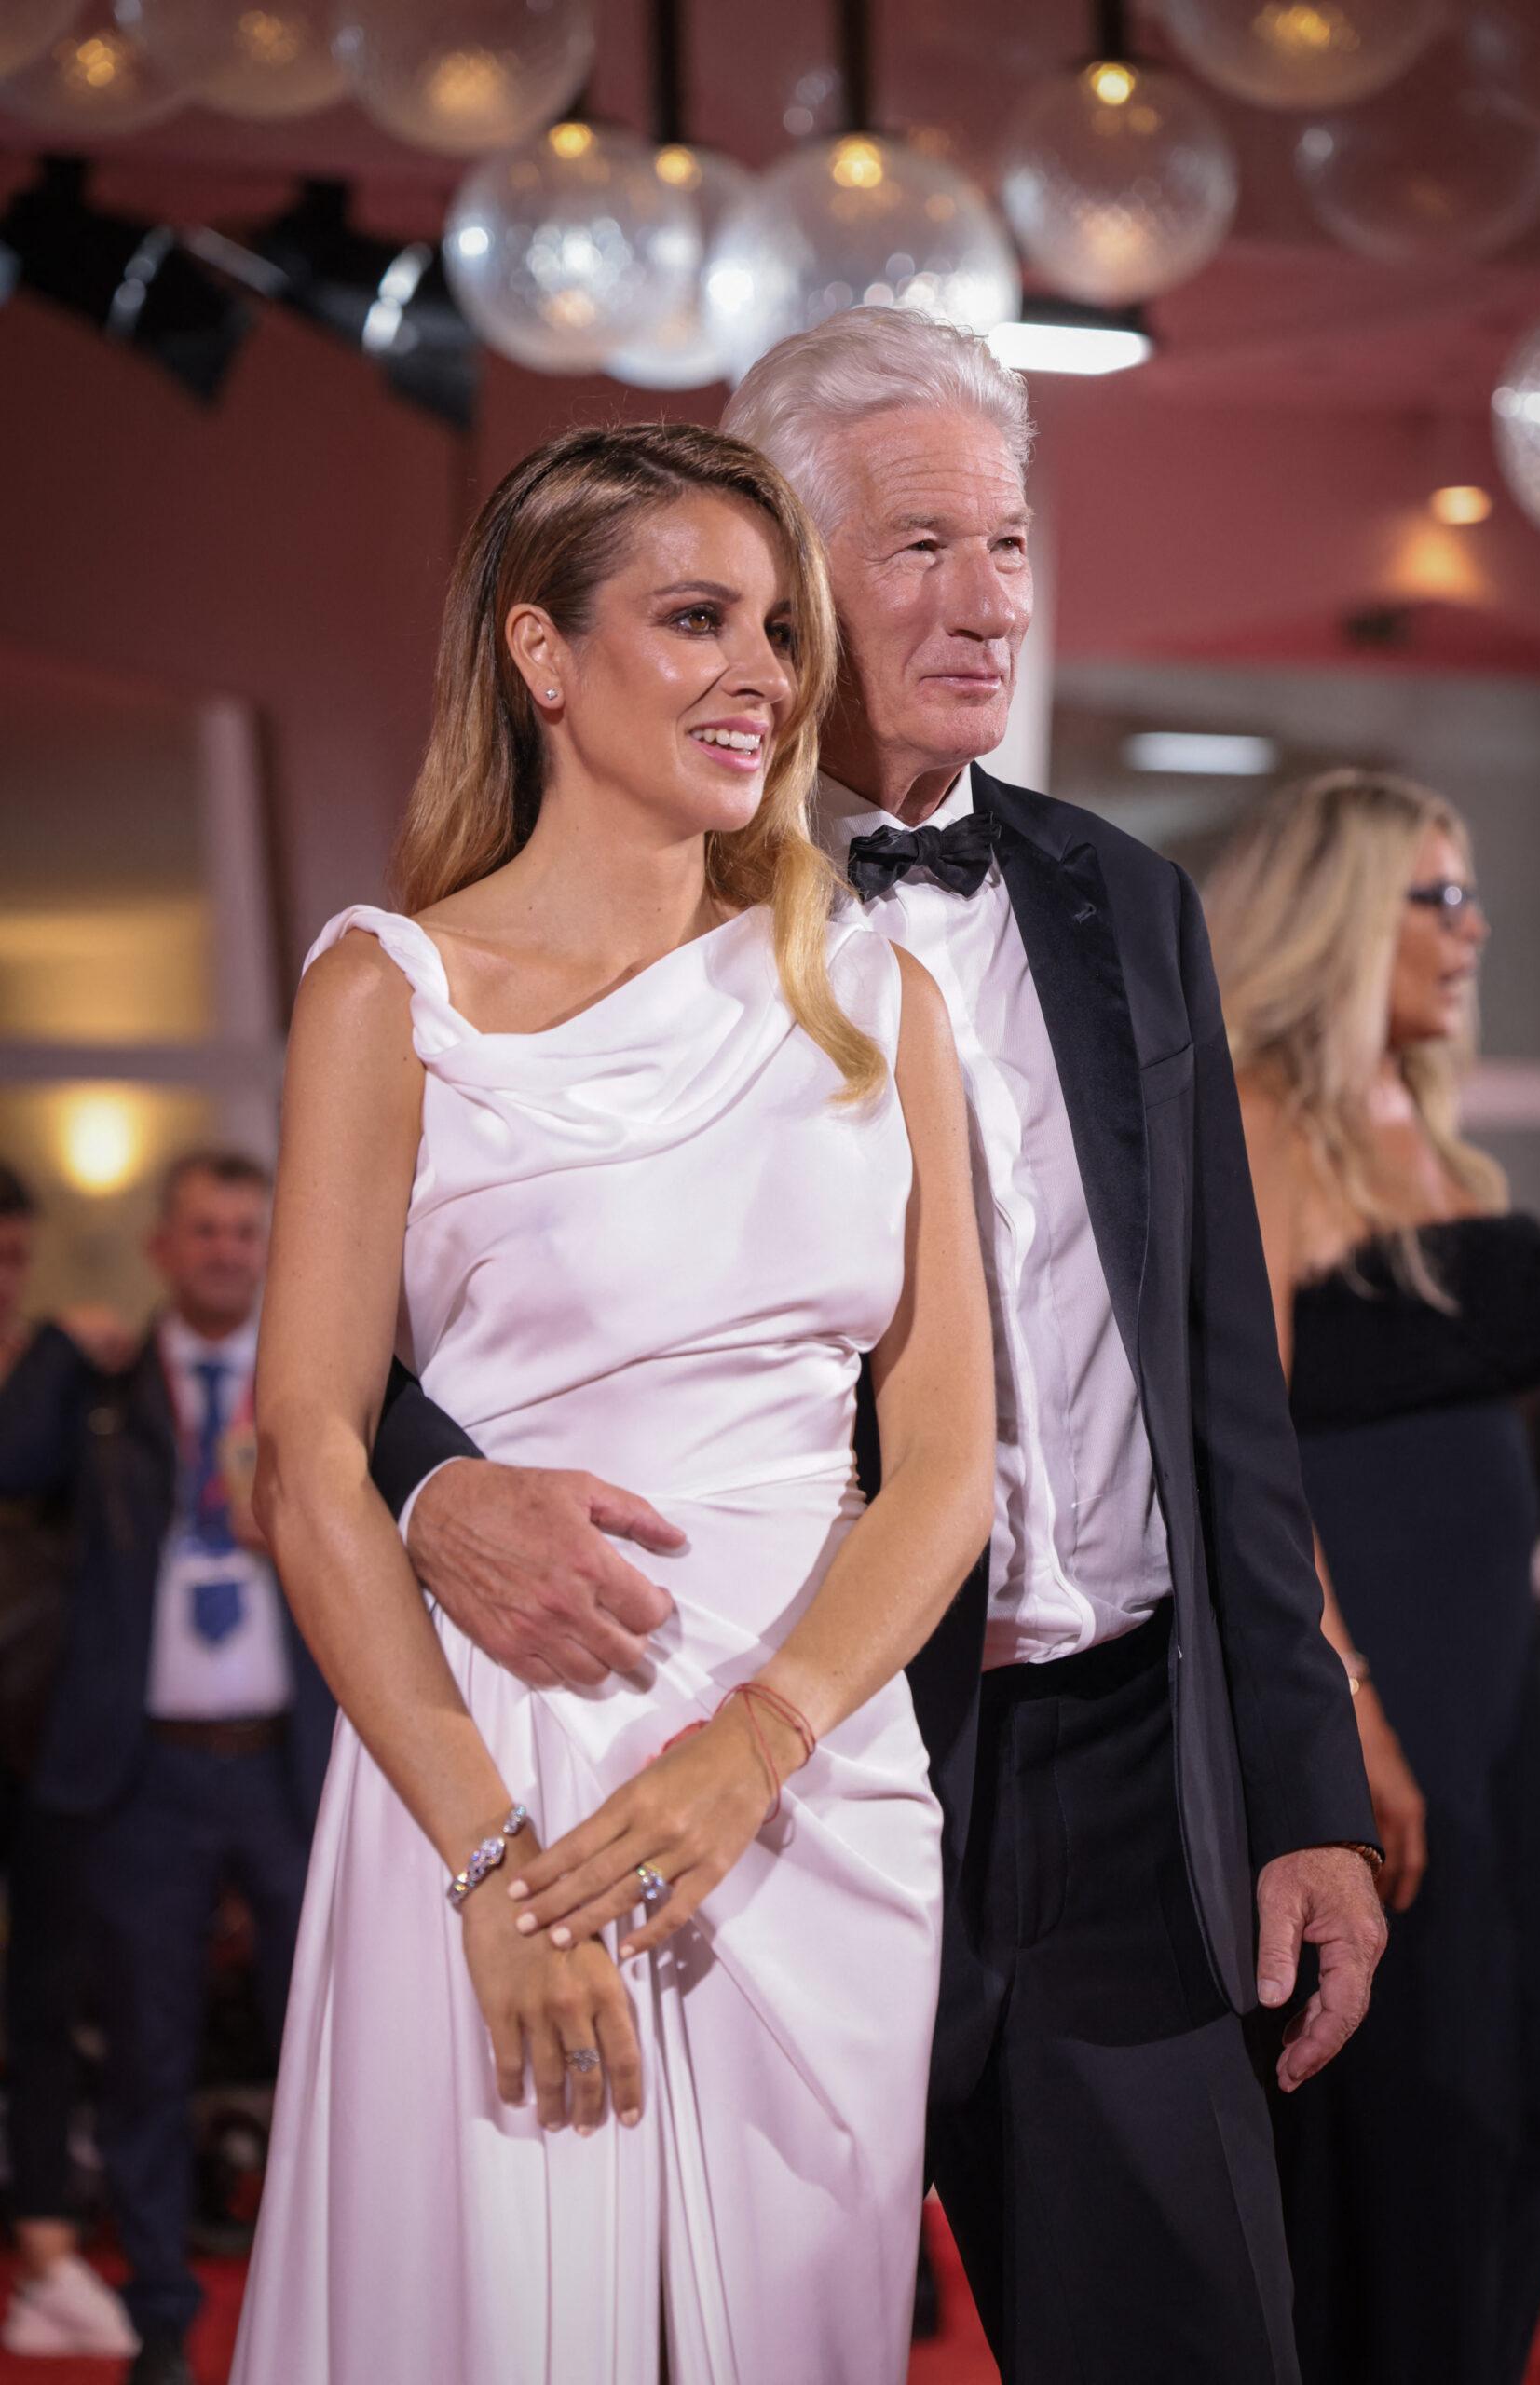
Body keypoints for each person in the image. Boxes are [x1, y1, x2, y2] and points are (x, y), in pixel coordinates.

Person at [371, 310, 1384, 2385]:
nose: (984, 598)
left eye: (1007, 542)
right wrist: (432, 1476)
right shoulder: (620, 918)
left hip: (1116, 1761)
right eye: (917, 545)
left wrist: (1296, 1783)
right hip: (767, 1757)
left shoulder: (1124, 902)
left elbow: (1221, 1403)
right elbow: (408, 1324)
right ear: (780, 578)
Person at [228, 420, 992, 2385]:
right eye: (692, 618)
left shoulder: (875, 998)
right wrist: (486, 1860)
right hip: (494, 1780)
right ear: (539, 654)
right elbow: (309, 1447)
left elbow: (943, 1471)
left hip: (810, 1798)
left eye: (775, 627)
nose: (760, 670)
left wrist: (757, 1744)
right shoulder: (388, 989)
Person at [1207, 769, 1540, 2385]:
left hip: (1497, 1697)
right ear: (1341, 920)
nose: (1472, 928)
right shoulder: (1256, 1121)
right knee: (1412, 2122)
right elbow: (1247, 1444)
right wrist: (1342, 1709)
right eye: (1438, 898)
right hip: (1371, 1687)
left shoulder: (1429, 1141)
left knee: (1538, 2099)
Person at [0, 1151, 335, 2385]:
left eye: (249, 1233)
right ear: (160, 1247)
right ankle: (156, 2313)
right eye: (203, 1232)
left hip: (288, 1770)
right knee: (147, 2052)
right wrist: (50, 1347)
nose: (227, 1253)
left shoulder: (312, 1390)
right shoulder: (102, 1388)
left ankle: (334, 2305)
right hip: (142, 1779)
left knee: (331, 2044)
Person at [0, 1165, 139, 2359]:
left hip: (41, 1734)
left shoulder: (64, 1368)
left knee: (44, 2001)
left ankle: (43, 2239)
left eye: (7, 1254)